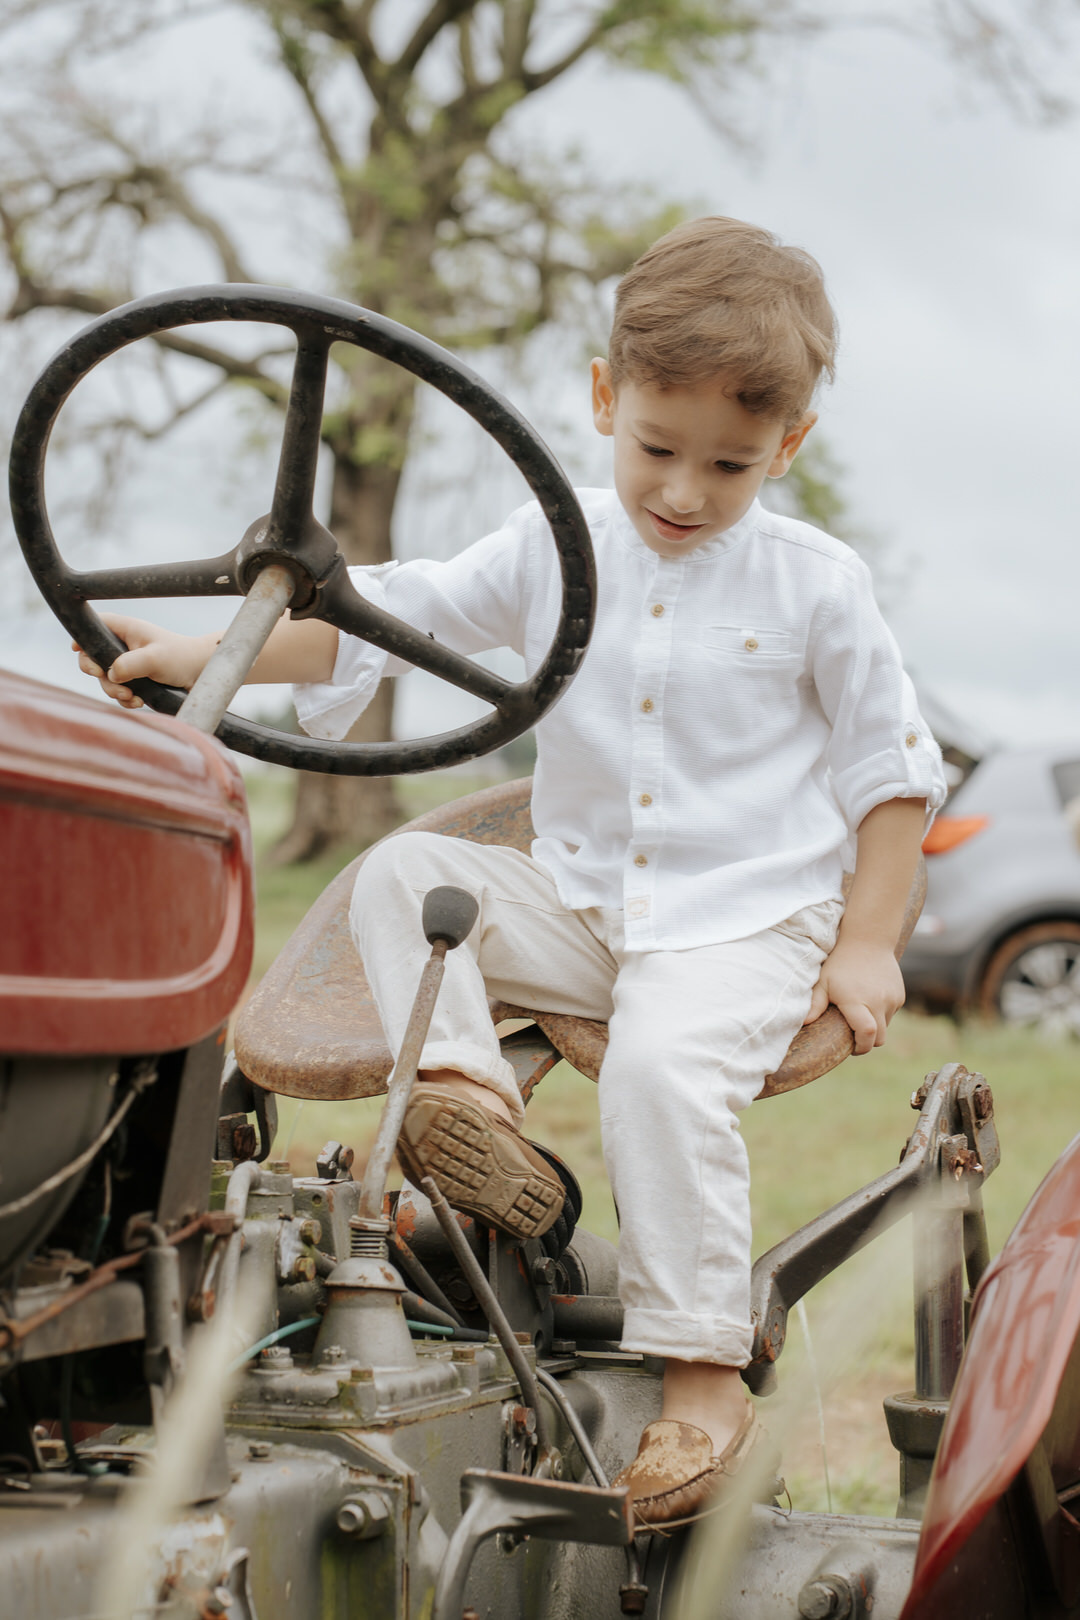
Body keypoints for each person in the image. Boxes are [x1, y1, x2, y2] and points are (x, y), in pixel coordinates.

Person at [75, 216, 947, 1527]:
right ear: (604, 400)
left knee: (658, 1069)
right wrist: (212, 656)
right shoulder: (557, 543)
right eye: (656, 447)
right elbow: (385, 616)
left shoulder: (817, 584)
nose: (684, 491)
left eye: (728, 464)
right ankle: (471, 1112)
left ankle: (703, 1384)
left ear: (789, 447)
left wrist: (867, 941)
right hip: (587, 905)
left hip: (744, 924)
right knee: (400, 874)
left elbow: (894, 779)